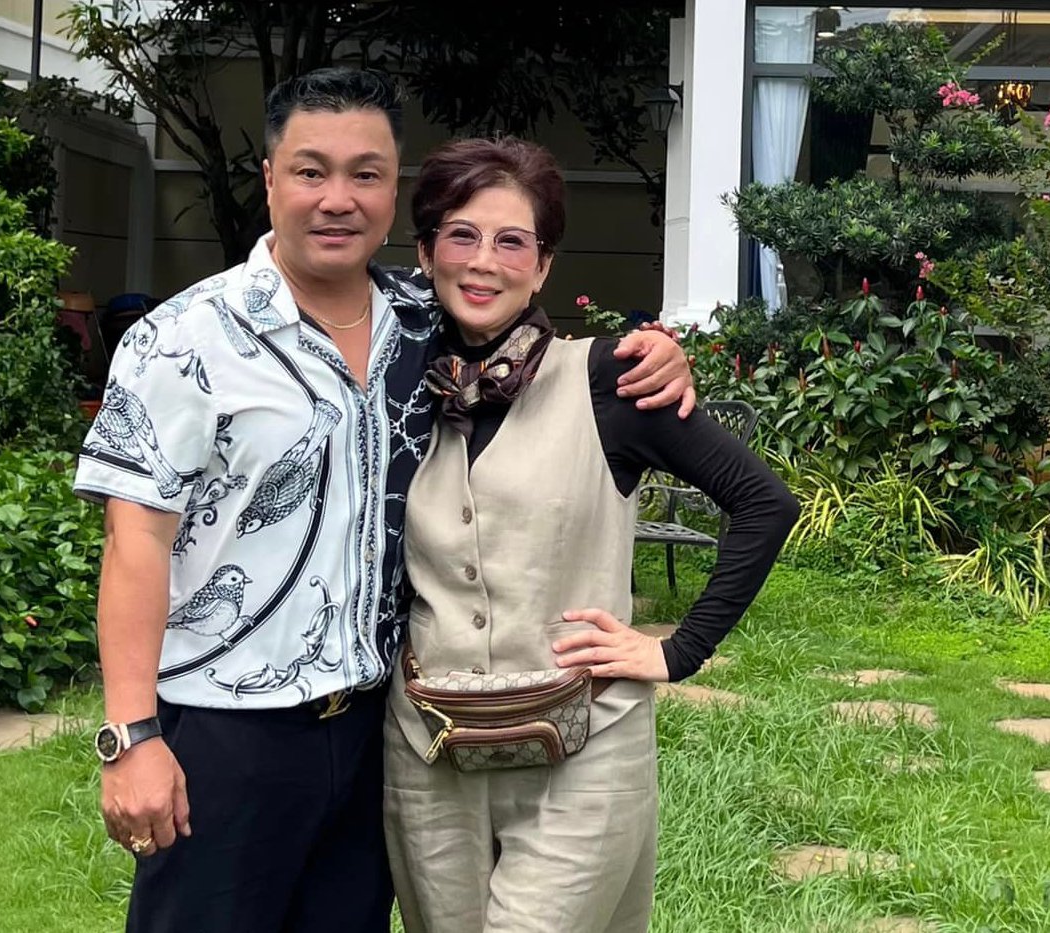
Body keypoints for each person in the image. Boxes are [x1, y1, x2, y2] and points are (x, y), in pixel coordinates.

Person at [72, 68, 693, 933]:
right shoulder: (179, 341)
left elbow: (526, 324)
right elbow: (133, 541)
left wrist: (653, 351)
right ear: (270, 179)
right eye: (310, 170)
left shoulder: (424, 321)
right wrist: (131, 737)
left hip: (376, 734)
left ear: (392, 191)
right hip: (225, 730)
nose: (338, 198)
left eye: (364, 174)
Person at [382, 137, 800, 933]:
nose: (484, 261)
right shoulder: (390, 386)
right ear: (426, 252)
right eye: (461, 234)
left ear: (542, 266)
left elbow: (762, 503)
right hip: (428, 753)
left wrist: (676, 651)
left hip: (582, 746)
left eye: (513, 241)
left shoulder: (607, 379)